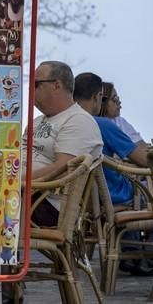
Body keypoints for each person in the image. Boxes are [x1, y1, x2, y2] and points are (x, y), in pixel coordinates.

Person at [21, 61, 103, 226]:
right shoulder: (36, 121)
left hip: (45, 202)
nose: (30, 89)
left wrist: (14, 181)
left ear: (56, 85)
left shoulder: (78, 120)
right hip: (24, 194)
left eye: (36, 84)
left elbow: (63, 169)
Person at [74, 76, 148, 204]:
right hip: (118, 196)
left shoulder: (68, 123)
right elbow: (145, 160)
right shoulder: (103, 125)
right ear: (98, 97)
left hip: (82, 199)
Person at [99, 82, 149, 151]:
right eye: (114, 99)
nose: (119, 102)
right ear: (102, 101)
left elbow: (142, 145)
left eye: (118, 98)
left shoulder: (120, 121)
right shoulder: (95, 122)